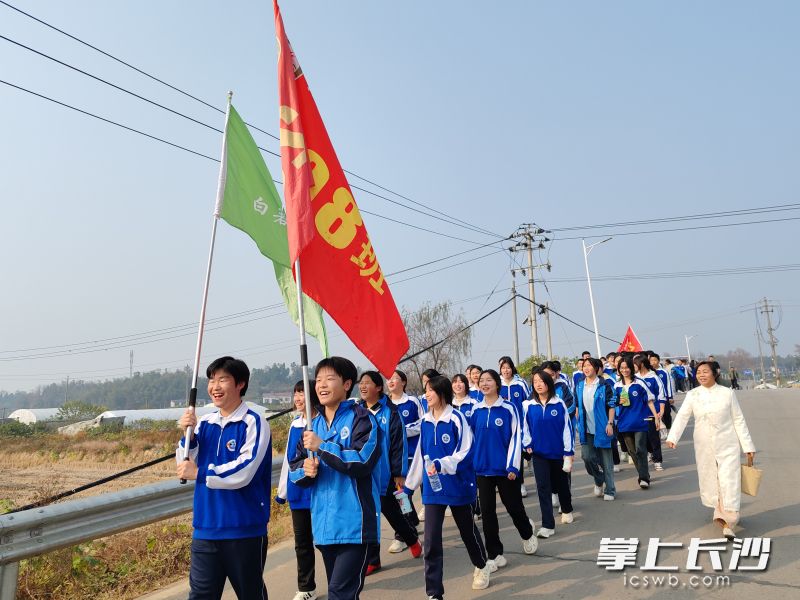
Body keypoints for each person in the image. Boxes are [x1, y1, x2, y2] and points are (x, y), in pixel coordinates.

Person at [176, 356, 272, 600]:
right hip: (206, 529)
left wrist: (200, 473)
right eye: (211, 380)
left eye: (223, 380)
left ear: (240, 384)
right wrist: (188, 435)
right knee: (200, 595)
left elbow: (245, 470)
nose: (215, 387)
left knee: (251, 594)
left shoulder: (254, 422)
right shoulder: (204, 423)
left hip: (244, 530)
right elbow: (184, 462)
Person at [289, 357, 381, 600]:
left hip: (355, 527)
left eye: (329, 379)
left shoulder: (362, 418)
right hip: (324, 527)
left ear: (347, 384)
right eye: (318, 379)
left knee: (339, 594)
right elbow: (294, 470)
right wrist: (306, 470)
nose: (321, 385)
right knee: (341, 593)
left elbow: (363, 461)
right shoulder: (312, 426)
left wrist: (322, 447)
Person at [406, 375, 491, 598]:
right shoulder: (425, 421)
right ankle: (434, 592)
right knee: (431, 541)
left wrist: (441, 464)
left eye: (430, 390)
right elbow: (420, 456)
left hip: (457, 486)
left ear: (442, 393)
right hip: (433, 490)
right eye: (425, 390)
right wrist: (409, 486)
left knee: (467, 531)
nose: (426, 395)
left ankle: (482, 565)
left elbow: (466, 452)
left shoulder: (456, 418)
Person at [666, 361, 756, 540]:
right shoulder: (693, 394)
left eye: (705, 371)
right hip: (704, 443)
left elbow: (738, 420)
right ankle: (720, 511)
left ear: (715, 373)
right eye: (699, 372)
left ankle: (730, 519)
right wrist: (672, 437)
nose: (701, 375)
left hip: (727, 443)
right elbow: (682, 416)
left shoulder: (727, 393)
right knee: (711, 477)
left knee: (729, 478)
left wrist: (747, 446)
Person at [469, 369, 537, 570]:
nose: (484, 383)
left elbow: (516, 437)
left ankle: (527, 533)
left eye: (489, 380)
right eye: (482, 380)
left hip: (506, 469)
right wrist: (472, 464)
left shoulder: (508, 408)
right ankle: (495, 554)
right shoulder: (476, 410)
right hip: (483, 470)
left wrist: (513, 465)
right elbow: (471, 440)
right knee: (488, 513)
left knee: (514, 507)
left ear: (497, 384)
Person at [358, 371, 422, 573]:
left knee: (393, 512)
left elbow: (399, 444)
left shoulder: (390, 412)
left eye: (367, 383)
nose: (363, 386)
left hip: (385, 474)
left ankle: (411, 538)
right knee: (369, 517)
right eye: (361, 383)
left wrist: (399, 472)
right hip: (364, 474)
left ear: (378, 388)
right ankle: (373, 559)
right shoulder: (356, 412)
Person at [276, 381, 320, 600]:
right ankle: (306, 587)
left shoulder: (321, 422)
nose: (298, 398)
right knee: (302, 543)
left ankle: (340, 582)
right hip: (297, 491)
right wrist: (282, 491)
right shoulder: (294, 425)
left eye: (302, 393)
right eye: (295, 394)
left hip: (319, 491)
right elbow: (288, 461)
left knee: (325, 542)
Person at [522, 370, 575, 538]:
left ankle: (566, 509)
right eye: (535, 382)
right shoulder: (528, 405)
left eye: (541, 381)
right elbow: (524, 427)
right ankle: (547, 525)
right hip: (539, 454)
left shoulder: (559, 404)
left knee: (561, 485)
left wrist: (568, 452)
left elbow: (567, 429)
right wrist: (527, 443)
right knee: (543, 487)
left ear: (548, 383)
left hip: (558, 452)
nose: (538, 384)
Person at [387, 369, 424, 540]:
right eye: (388, 378)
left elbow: (423, 422)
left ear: (403, 382)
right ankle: (411, 522)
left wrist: (401, 431)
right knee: (401, 494)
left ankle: (403, 535)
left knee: (404, 494)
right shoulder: (385, 404)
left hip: (411, 454)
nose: (390, 381)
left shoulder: (412, 402)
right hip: (394, 457)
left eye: (395, 378)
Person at [575, 357, 617, 501]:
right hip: (586, 429)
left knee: (606, 461)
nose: (586, 368)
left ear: (596, 368)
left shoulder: (604, 385)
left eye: (589, 365)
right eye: (584, 366)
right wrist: (577, 422)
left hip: (602, 427)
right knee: (587, 457)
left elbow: (611, 405)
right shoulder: (579, 385)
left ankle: (610, 490)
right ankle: (599, 479)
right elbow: (577, 406)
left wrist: (610, 423)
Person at [614, 357, 658, 489]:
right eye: (622, 368)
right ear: (619, 369)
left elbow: (649, 400)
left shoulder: (639, 383)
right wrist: (618, 401)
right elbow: (612, 402)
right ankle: (643, 473)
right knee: (632, 451)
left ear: (632, 368)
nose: (624, 370)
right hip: (624, 422)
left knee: (640, 449)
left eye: (627, 367)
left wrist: (656, 417)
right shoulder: (617, 385)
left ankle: (643, 478)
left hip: (640, 421)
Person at [498, 356, 531, 496]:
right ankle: (507, 483)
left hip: (519, 424)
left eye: (508, 367)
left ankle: (521, 483)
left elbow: (528, 402)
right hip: (502, 425)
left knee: (518, 454)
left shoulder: (520, 383)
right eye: (503, 368)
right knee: (505, 454)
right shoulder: (497, 383)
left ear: (512, 369)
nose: (506, 370)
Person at [635, 355, 666, 472]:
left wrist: (661, 410)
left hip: (653, 412)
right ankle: (649, 452)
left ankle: (657, 460)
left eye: (635, 364)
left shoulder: (654, 377)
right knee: (643, 438)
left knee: (654, 437)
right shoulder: (634, 378)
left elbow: (661, 395)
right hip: (640, 413)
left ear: (642, 364)